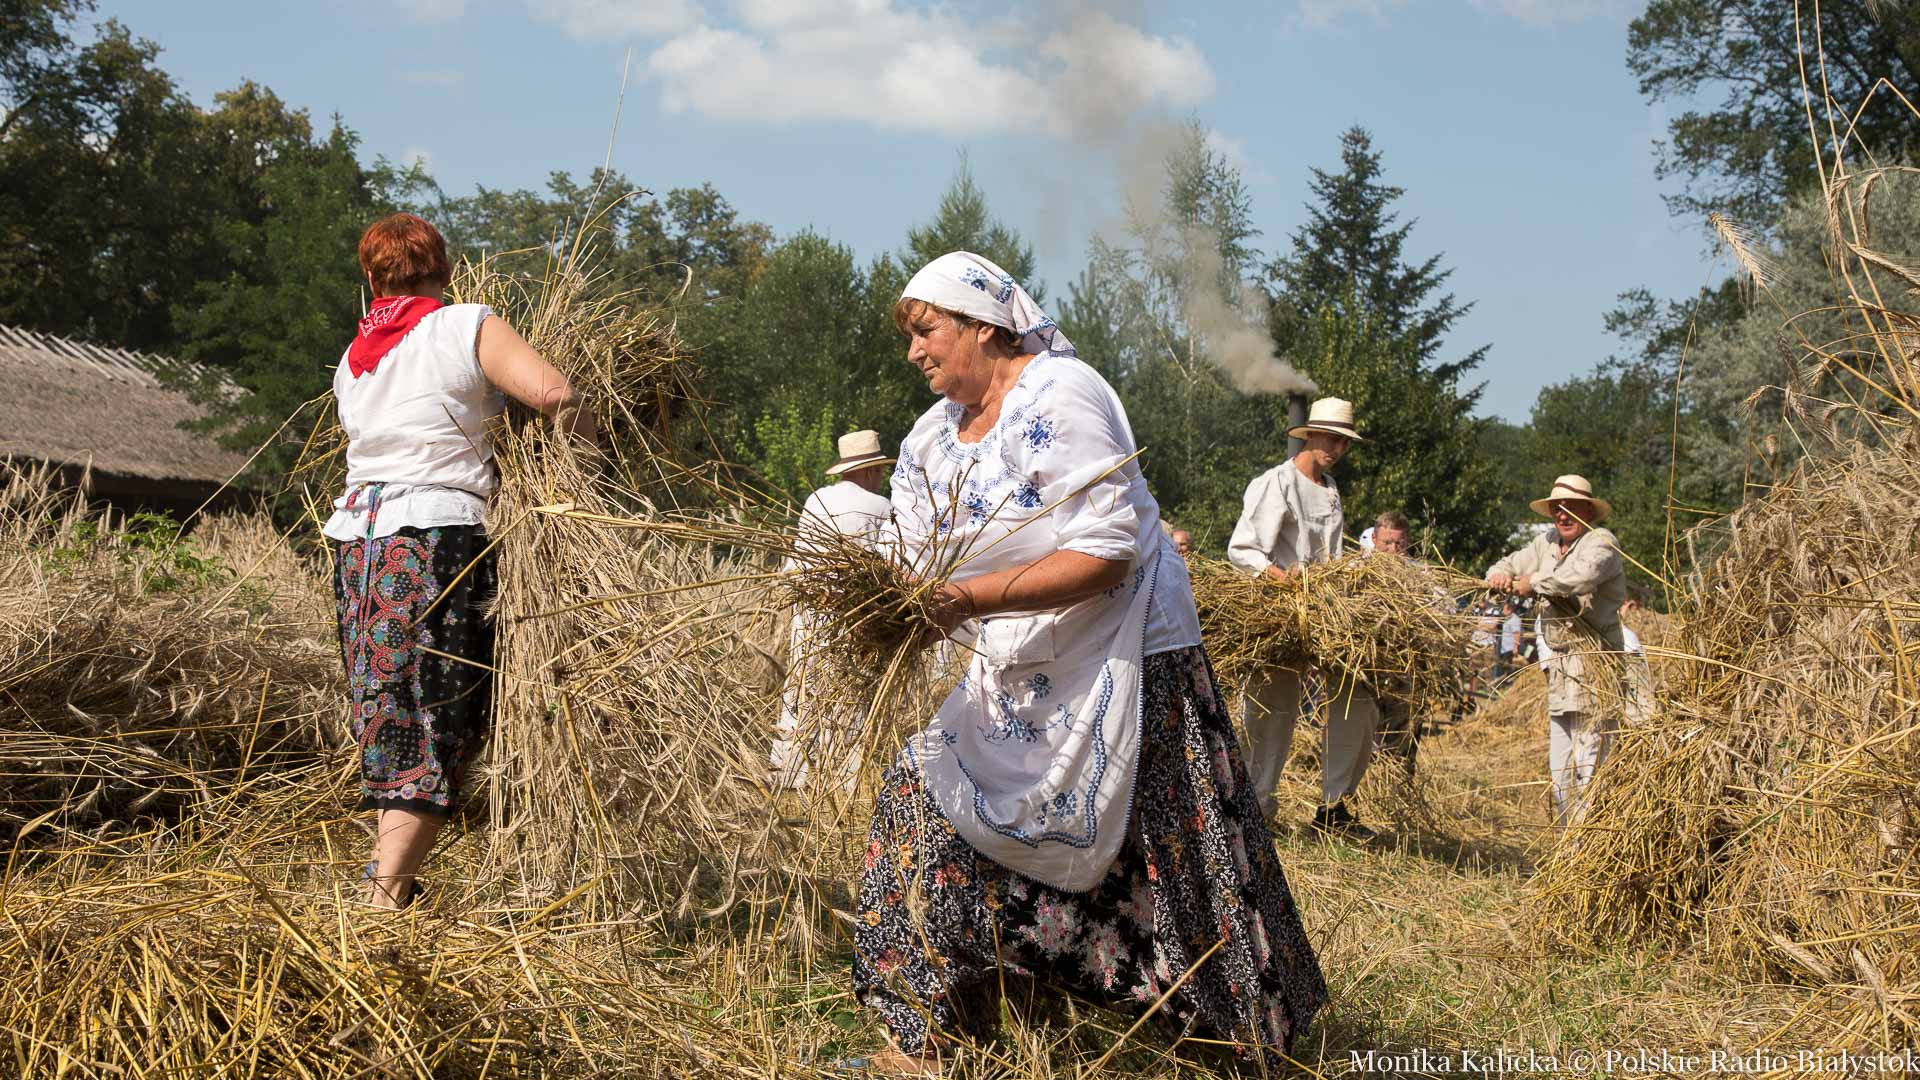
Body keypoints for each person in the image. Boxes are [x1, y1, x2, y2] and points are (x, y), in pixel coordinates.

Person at [851, 252, 1324, 1074]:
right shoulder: (929, 435)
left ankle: (1234, 1037)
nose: (914, 353)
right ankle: (930, 1034)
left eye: (926, 332)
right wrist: (887, 603)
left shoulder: (1060, 395)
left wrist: (966, 602)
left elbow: (1106, 550)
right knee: (920, 803)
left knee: (1170, 854)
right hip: (1015, 659)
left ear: (982, 324)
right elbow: (914, 549)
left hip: (1128, 652)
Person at [326, 213, 594, 909]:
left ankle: (386, 888)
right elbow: (556, 393)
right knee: (442, 711)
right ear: (443, 270)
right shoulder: (461, 323)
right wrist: (587, 471)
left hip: (359, 546)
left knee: (389, 713)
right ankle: (385, 898)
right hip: (434, 541)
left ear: (371, 278)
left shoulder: (354, 360)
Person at [1226, 397, 1382, 836]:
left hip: (1327, 611)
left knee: (1357, 698)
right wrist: (1285, 581)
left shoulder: (1331, 489)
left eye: (1343, 441)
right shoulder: (1276, 483)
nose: (1336, 447)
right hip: (1280, 610)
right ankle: (1257, 810)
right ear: (1309, 434)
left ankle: (1334, 808)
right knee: (1273, 708)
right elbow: (1243, 550)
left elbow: (1328, 556)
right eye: (1330, 438)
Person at [1485, 475, 1626, 826]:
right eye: (1557, 509)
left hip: (1595, 665)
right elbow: (1509, 563)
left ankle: (1586, 848)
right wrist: (1499, 576)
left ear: (1588, 512)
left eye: (1572, 508)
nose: (1563, 516)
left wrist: (1532, 583)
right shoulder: (1545, 542)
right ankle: (1570, 843)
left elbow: (1577, 578)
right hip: (1559, 666)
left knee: (1589, 763)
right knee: (1560, 769)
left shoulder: (1601, 543)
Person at [772, 430, 894, 792]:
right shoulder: (881, 507)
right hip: (853, 614)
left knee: (801, 685)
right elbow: (889, 564)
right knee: (850, 687)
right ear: (872, 471)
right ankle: (842, 777)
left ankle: (789, 771)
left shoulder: (817, 499)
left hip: (809, 608)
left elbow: (797, 560)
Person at [1366, 510, 1425, 775]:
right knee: (1364, 738)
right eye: (1387, 543)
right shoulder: (1358, 573)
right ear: (1375, 540)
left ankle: (1398, 786)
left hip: (1405, 673)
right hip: (1367, 671)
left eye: (1399, 544)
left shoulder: (1421, 576)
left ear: (1407, 542)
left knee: (1401, 740)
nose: (1393, 550)